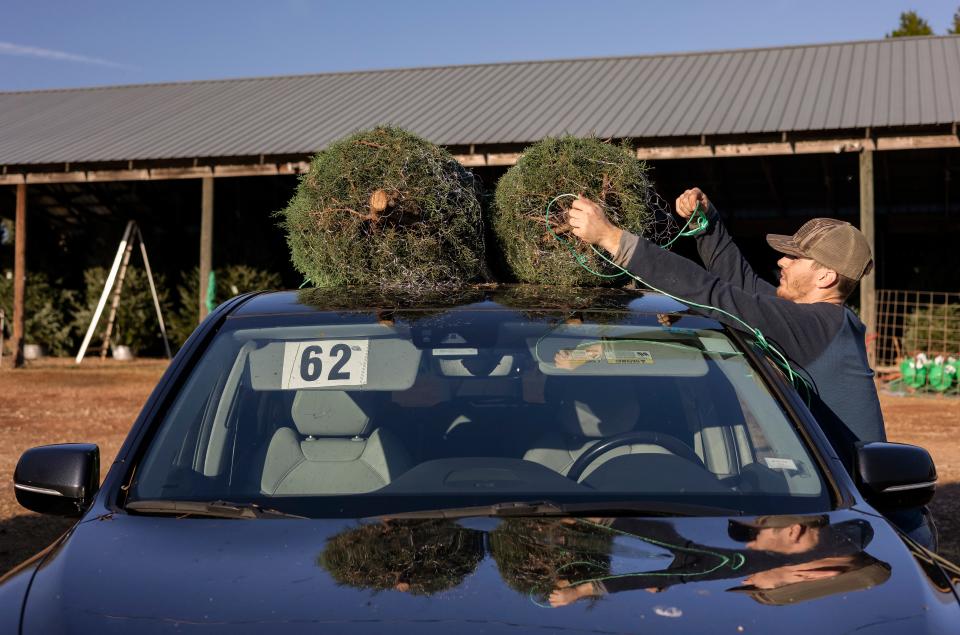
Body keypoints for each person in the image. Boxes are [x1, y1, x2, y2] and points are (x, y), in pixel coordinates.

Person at [566, 189, 935, 548]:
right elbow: (741, 287)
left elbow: (716, 295)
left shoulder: (814, 326)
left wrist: (613, 239)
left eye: (794, 258)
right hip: (844, 511)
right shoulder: (819, 322)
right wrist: (708, 224)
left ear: (825, 277)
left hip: (872, 532)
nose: (781, 262)